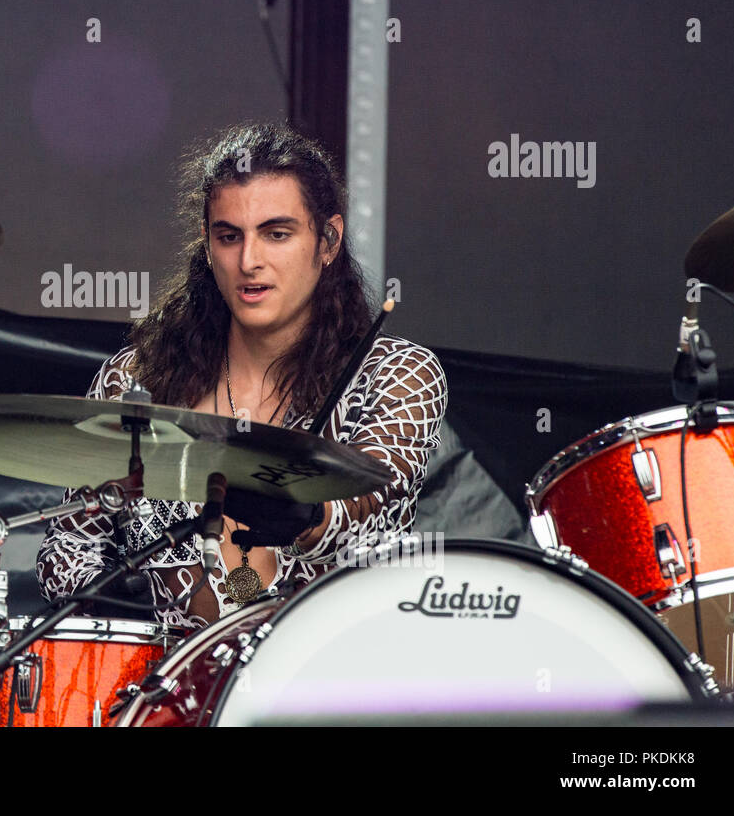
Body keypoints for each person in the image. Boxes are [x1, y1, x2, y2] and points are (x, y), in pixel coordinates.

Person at [36, 122, 448, 630]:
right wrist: (118, 596)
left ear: (328, 241)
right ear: (208, 248)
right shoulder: (137, 379)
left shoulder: (397, 373)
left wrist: (309, 519)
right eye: (229, 237)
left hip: (331, 683)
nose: (249, 261)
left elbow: (374, 498)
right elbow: (67, 548)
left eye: (277, 234)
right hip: (171, 694)